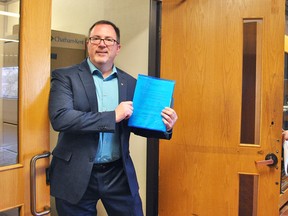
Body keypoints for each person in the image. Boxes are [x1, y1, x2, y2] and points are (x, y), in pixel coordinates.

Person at [48, 20, 178, 216]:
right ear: (88, 44)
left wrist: (165, 125)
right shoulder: (65, 77)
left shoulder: (131, 83)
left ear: (118, 47)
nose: (102, 44)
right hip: (75, 173)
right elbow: (61, 118)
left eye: (109, 39)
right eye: (96, 38)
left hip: (118, 174)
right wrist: (112, 116)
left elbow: (137, 123)